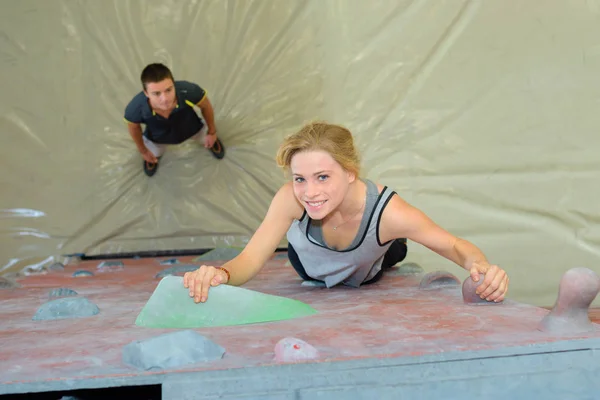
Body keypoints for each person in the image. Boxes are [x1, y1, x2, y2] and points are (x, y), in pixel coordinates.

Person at [183, 122, 509, 304]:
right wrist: (220, 274)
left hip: (364, 268)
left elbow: (452, 245)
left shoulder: (389, 211)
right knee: (300, 245)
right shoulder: (290, 201)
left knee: (394, 246)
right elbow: (251, 258)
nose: (310, 192)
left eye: (323, 177)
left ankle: (389, 248)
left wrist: (480, 265)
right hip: (308, 264)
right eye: (300, 179)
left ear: (350, 172)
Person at [123, 63, 225, 177]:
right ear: (146, 93)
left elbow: (206, 106)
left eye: (168, 90)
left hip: (191, 127)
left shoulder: (189, 91)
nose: (165, 99)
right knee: (155, 153)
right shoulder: (135, 109)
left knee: (206, 139)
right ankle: (151, 156)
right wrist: (143, 151)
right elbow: (134, 128)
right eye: (156, 93)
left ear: (174, 85)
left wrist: (212, 132)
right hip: (158, 137)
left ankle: (211, 139)